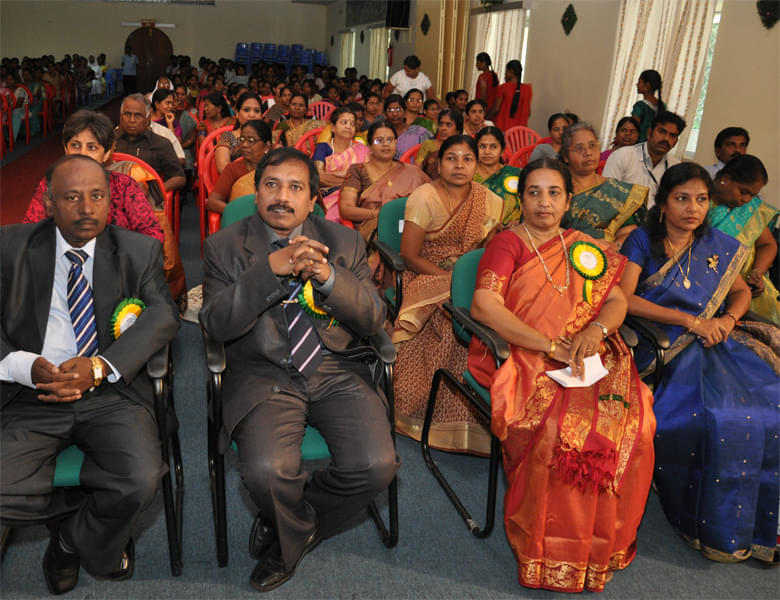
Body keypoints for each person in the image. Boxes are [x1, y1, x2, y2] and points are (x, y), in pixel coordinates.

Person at [199, 147, 398, 592]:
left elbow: (372, 318)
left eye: (295, 188)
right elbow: (214, 323)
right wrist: (269, 271)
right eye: (271, 185)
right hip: (262, 372)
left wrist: (329, 278)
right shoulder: (223, 247)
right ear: (256, 194)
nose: (282, 197)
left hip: (334, 369)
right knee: (267, 472)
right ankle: (290, 530)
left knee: (376, 465)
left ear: (314, 200)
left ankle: (293, 521)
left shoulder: (345, 243)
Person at [466, 157, 655, 592]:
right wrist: (548, 345)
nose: (544, 203)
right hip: (527, 351)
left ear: (569, 200)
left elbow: (615, 301)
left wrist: (596, 328)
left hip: (586, 349)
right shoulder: (509, 243)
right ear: (521, 197)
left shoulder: (583, 245)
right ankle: (549, 552)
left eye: (554, 193)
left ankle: (601, 545)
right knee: (558, 430)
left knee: (636, 420)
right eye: (534, 192)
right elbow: (485, 307)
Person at [0, 154, 180, 595]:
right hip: (33, 393)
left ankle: (68, 540)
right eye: (72, 197)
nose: (86, 208)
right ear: (48, 203)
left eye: (97, 196)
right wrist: (25, 365)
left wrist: (100, 366)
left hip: (110, 393)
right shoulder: (9, 248)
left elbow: (163, 314)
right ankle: (78, 512)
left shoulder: (138, 252)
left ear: (110, 199)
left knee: (140, 480)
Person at [618, 162, 779, 564]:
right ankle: (702, 520)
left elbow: (740, 293)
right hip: (663, 345)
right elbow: (626, 299)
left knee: (768, 406)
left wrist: (727, 320)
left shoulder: (716, 244)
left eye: (701, 200)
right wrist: (691, 320)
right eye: (682, 199)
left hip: (715, 341)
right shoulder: (642, 240)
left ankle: (757, 528)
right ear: (663, 202)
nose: (693, 209)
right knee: (720, 417)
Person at [393, 135, 503, 454]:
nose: (459, 165)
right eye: (451, 158)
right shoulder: (424, 197)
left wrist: (468, 279)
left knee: (496, 311)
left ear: (476, 164)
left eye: (467, 159)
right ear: (438, 164)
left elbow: (487, 251)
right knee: (450, 316)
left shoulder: (489, 199)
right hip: (427, 274)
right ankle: (424, 413)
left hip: (470, 276)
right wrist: (451, 282)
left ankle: (487, 416)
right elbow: (410, 255)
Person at [23, 110, 162, 243]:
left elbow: (152, 234)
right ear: (66, 149)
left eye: (92, 147)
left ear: (107, 153)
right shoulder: (51, 186)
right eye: (75, 145)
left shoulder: (124, 187)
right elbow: (30, 232)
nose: (82, 154)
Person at [709, 154, 779, 324]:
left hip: (750, 286)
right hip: (711, 284)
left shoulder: (749, 209)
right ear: (725, 179)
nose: (747, 200)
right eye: (744, 192)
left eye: (753, 195)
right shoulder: (699, 202)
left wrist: (757, 272)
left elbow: (768, 244)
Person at [559, 122, 648, 245]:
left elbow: (628, 231)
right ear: (565, 156)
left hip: (604, 257)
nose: (588, 152)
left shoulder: (615, 190)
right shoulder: (555, 188)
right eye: (579, 148)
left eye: (592, 145)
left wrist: (612, 247)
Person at [339, 120, 430, 239]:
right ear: (370, 146)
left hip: (412, 224)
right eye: (379, 141)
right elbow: (346, 209)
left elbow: (432, 198)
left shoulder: (412, 171)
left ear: (396, 143)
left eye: (390, 140)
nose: (385, 144)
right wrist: (380, 214)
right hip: (376, 228)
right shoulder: (358, 170)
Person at [114, 94, 186, 205]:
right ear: (120, 116)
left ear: (148, 119)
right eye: (127, 114)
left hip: (147, 204)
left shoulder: (161, 143)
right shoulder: (108, 141)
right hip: (110, 201)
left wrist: (155, 192)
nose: (131, 120)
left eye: (138, 116)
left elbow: (179, 178)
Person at [602, 110, 685, 206]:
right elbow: (606, 196)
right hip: (624, 218)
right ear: (649, 133)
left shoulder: (675, 167)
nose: (666, 139)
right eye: (662, 132)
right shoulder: (622, 156)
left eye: (672, 135)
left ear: (675, 142)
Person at [312, 107, 369, 221]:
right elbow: (319, 176)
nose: (349, 126)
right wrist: (351, 179)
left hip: (358, 194)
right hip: (329, 195)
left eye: (352, 124)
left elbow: (367, 176)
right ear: (333, 127)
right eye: (344, 122)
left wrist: (343, 177)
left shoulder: (361, 149)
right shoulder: (323, 147)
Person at [206, 120, 271, 214]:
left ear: (267, 146)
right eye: (242, 139)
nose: (244, 145)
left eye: (251, 140)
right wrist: (238, 212)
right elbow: (212, 202)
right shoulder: (232, 169)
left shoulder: (275, 169)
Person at [473, 127, 522, 225]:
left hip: (513, 230)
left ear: (502, 151)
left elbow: (528, 204)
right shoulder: (468, 175)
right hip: (476, 232)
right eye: (482, 146)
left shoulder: (514, 174)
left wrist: (519, 222)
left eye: (493, 147)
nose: (487, 151)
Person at [215, 91, 263, 173]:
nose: (252, 115)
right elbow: (223, 169)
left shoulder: (267, 136)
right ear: (237, 113)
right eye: (246, 110)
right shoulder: (228, 136)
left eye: (257, 111)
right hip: (236, 182)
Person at [383, 94, 433, 160]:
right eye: (390, 110)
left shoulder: (419, 133)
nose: (395, 114)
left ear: (405, 112)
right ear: (384, 114)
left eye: (398, 109)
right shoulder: (380, 134)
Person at [416, 108, 463, 180]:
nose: (443, 128)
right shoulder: (428, 144)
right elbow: (417, 169)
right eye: (441, 124)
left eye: (448, 125)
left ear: (458, 130)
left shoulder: (462, 148)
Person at [489, 60, 532, 130]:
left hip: (503, 128)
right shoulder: (527, 89)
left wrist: (485, 118)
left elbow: (496, 109)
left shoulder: (504, 88)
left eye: (506, 72)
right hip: (520, 132)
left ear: (511, 72)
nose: (505, 74)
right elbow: (529, 112)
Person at [632, 69, 666, 142]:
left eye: (639, 82)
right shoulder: (663, 106)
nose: (637, 84)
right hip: (653, 145)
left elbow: (633, 130)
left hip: (639, 146)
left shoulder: (640, 106)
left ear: (647, 86)